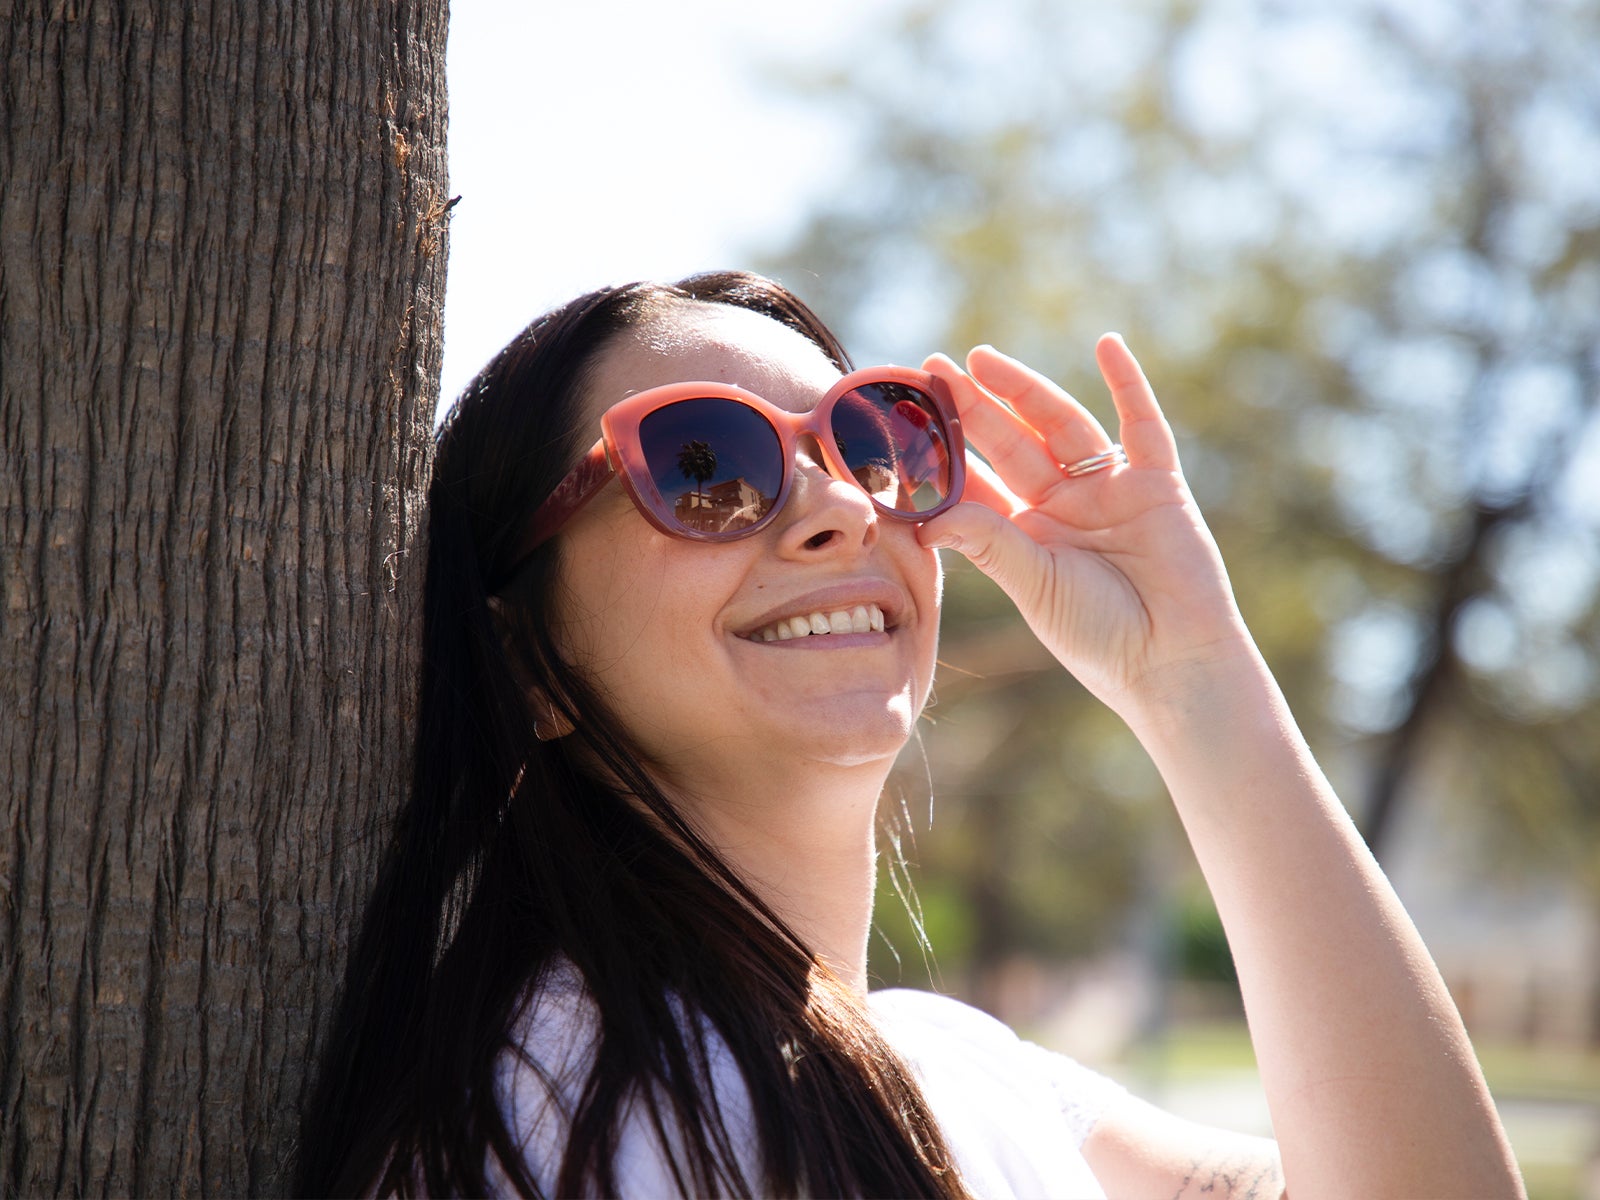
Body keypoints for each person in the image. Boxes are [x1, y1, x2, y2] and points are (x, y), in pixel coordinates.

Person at [297, 270, 1524, 1198]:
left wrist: (1196, 679)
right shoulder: (566, 1116)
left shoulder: (960, 1064)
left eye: (871, 440)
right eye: (703, 464)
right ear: (528, 661)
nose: (839, 504)